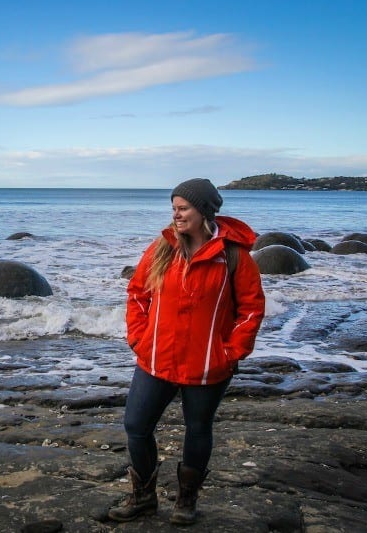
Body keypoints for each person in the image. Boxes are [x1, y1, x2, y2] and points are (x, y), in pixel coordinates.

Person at [108, 178, 265, 525]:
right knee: (135, 425)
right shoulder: (162, 248)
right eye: (173, 208)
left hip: (209, 363)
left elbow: (251, 309)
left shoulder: (234, 255)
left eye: (183, 208)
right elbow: (137, 294)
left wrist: (232, 352)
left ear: (205, 211)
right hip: (156, 357)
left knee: (198, 428)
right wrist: (138, 338)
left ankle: (186, 500)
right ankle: (143, 497)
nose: (175, 215)